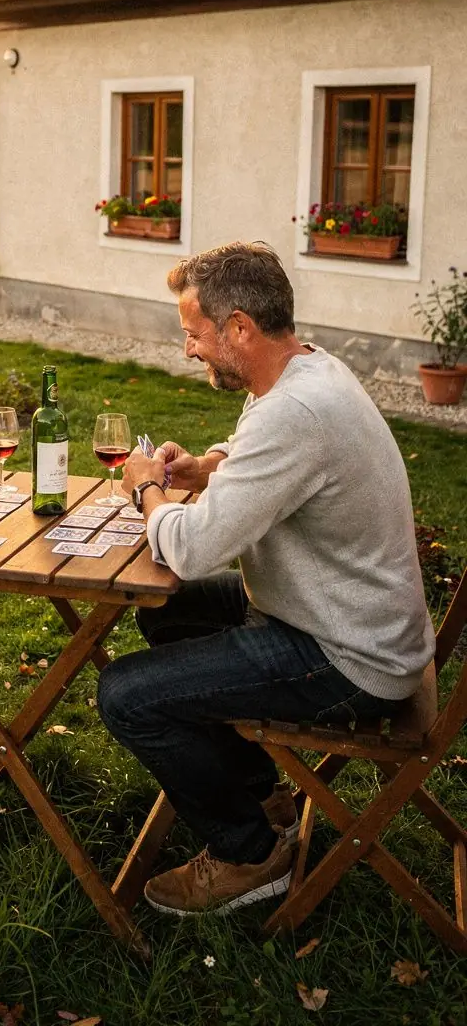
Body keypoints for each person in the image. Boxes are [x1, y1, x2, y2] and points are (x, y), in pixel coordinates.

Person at [99, 241, 435, 918]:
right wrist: (207, 468)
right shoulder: (306, 371)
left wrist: (147, 492)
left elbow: (191, 550)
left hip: (346, 656)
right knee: (168, 614)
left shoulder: (294, 413)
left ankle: (247, 853)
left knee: (126, 694)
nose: (189, 349)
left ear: (241, 328)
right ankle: (261, 794)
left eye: (195, 334)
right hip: (345, 618)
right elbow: (267, 462)